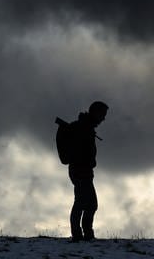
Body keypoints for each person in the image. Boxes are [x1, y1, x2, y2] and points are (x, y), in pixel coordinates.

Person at [68, 101, 108, 242]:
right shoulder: (83, 127)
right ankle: (79, 235)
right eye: (102, 115)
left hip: (83, 170)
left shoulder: (86, 127)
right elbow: (81, 150)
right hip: (80, 170)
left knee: (89, 203)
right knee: (82, 202)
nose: (103, 118)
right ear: (96, 113)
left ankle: (85, 234)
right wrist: (87, 161)